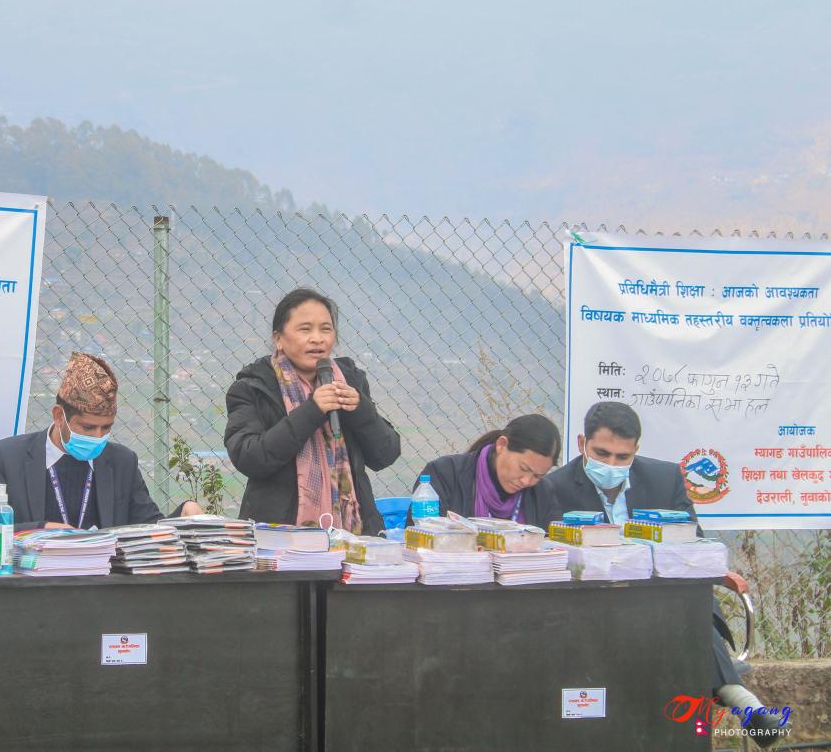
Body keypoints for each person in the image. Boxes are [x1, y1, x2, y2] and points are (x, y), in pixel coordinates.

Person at [543, 400, 785, 747]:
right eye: (602, 454)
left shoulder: (665, 478)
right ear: (582, 444)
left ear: (636, 450)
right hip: (593, 603)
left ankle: (741, 704)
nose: (612, 464)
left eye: (622, 457)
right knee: (676, 617)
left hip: (666, 595)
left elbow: (693, 544)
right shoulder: (554, 487)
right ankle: (739, 698)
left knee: (686, 609)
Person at [224, 288, 401, 534]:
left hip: (354, 536)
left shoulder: (350, 380)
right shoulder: (254, 387)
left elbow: (386, 455)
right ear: (278, 339)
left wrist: (360, 409)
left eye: (325, 329)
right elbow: (250, 458)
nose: (317, 339)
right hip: (279, 537)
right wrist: (312, 410)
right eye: (305, 329)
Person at [0, 352, 202, 535]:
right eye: (87, 428)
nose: (98, 437)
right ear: (59, 416)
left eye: (106, 428)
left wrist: (183, 514)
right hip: (33, 581)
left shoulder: (121, 462)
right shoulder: (8, 457)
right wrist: (42, 529)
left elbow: (147, 528)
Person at [416, 413, 562, 530]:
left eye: (538, 476)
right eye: (523, 468)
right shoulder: (445, 474)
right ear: (502, 445)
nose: (527, 481)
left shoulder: (542, 492)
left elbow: (554, 545)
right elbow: (421, 537)